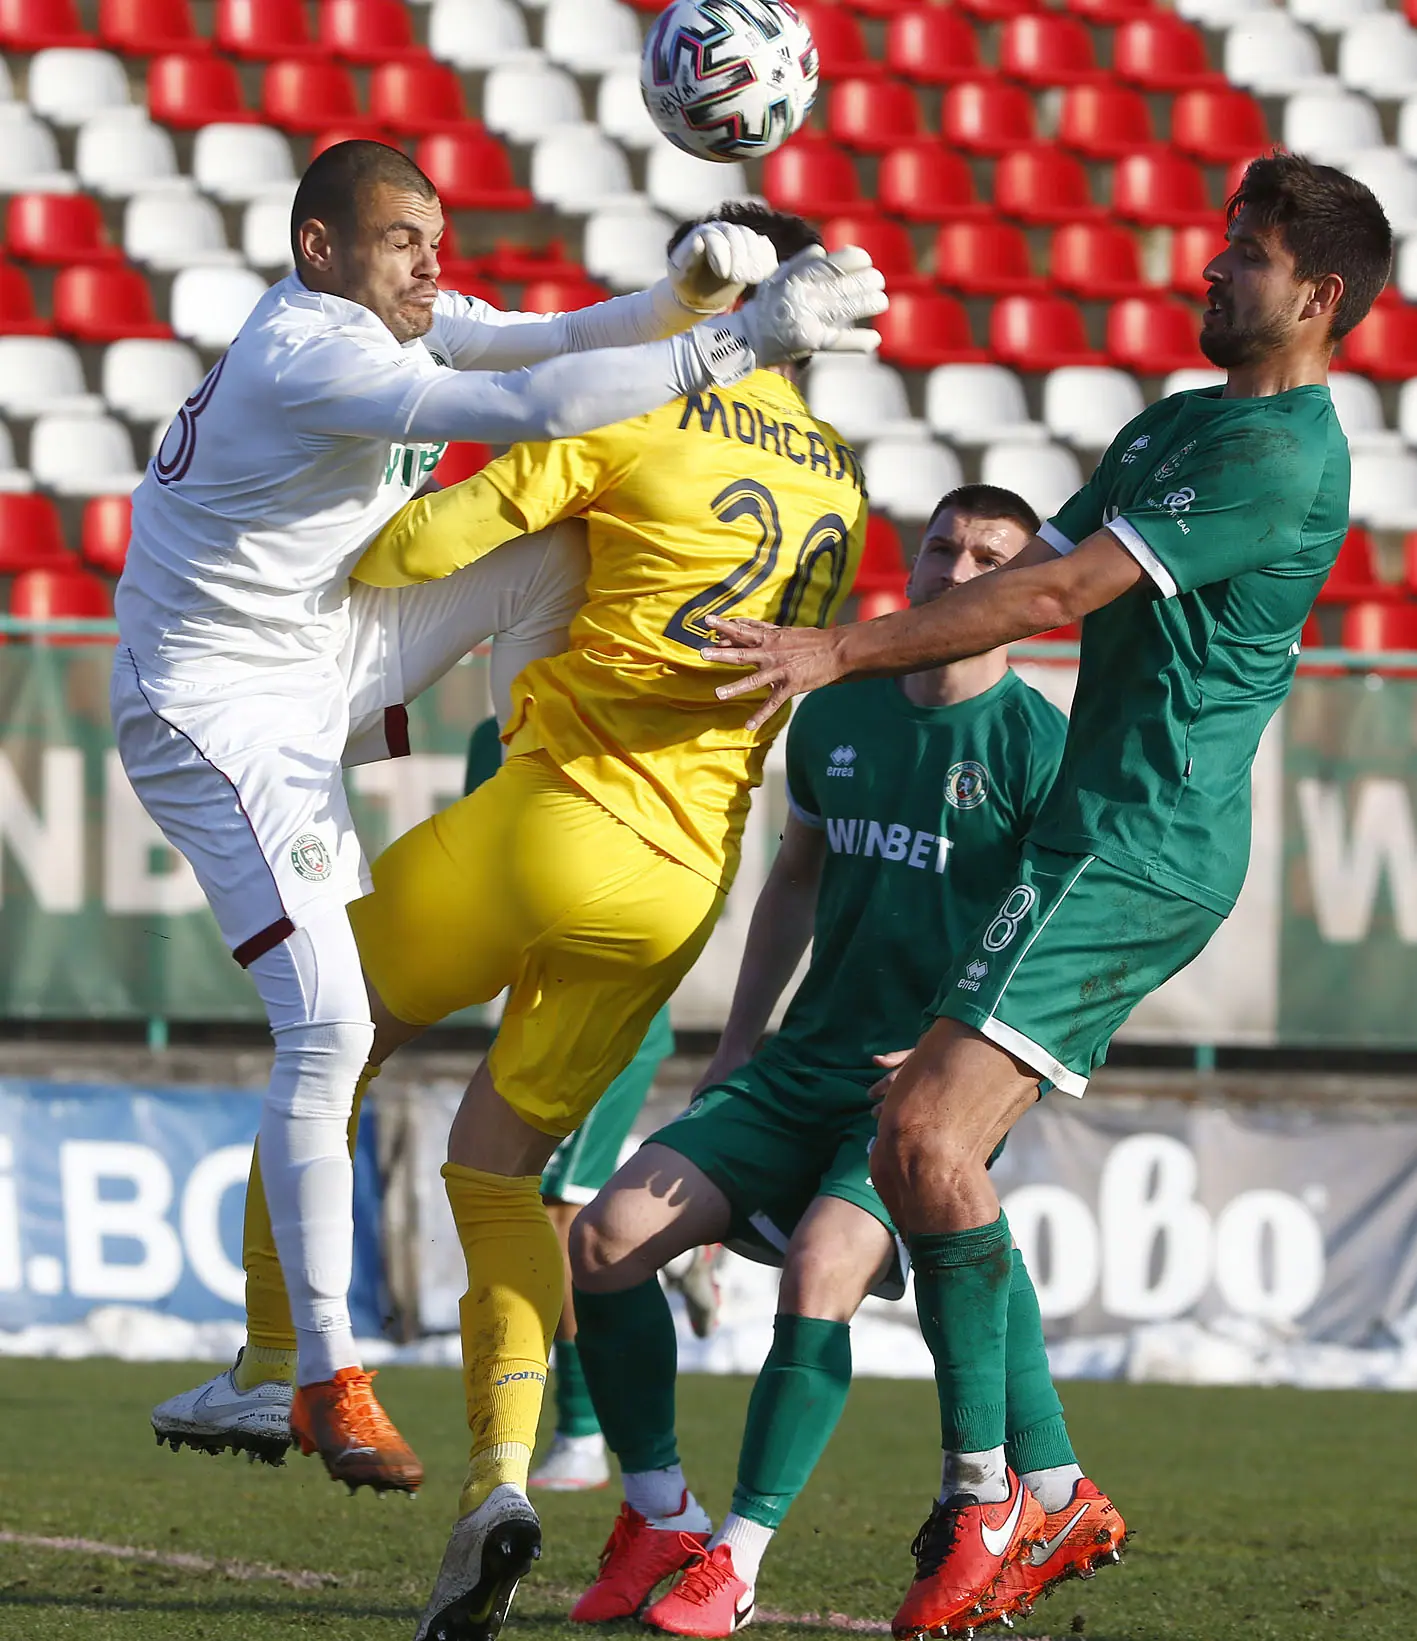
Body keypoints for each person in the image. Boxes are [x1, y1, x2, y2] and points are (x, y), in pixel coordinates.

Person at [154, 201, 879, 1641]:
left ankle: (271, 1362)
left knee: (330, 1041)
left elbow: (421, 548)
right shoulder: (843, 485)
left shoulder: (640, 417)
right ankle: (499, 1479)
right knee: (501, 1172)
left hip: (552, 823)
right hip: (683, 886)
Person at [700, 154, 1392, 1638]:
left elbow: (1057, 599)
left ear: (1318, 297)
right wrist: (867, 646)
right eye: (1223, 242)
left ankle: (988, 1496)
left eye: (1248, 254)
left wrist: (838, 650)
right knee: (920, 1145)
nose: (1213, 267)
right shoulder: (1174, 427)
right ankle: (1049, 1484)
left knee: (918, 1136)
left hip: (1144, 845)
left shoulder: (1283, 457)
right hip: (1091, 833)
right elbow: (1028, 569)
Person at [564, 486, 1119, 1637]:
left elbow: (1062, 932)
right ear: (911, 566)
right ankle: (658, 1513)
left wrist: (954, 1043)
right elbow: (794, 884)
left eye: (990, 558)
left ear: (1026, 593)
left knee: (821, 1268)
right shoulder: (836, 713)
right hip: (796, 1068)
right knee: (604, 1241)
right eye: (941, 547)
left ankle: (736, 1560)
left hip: (916, 1092)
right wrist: (735, 1045)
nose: (956, 569)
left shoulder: (1035, 746)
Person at [464, 716, 699, 1496]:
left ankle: (582, 1431)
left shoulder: (613, 721)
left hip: (605, 1018)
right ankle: (687, 1243)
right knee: (514, 1199)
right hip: (535, 1013)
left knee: (553, 1211)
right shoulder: (491, 734)